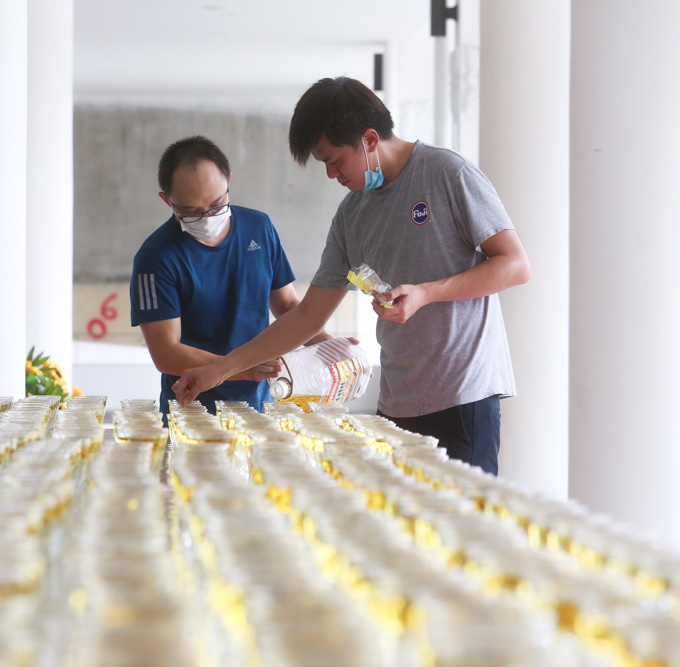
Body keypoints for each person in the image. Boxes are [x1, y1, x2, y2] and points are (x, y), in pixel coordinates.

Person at [174, 78, 530, 475]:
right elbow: (307, 317)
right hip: (397, 402)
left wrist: (427, 293)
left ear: (370, 139)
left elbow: (515, 265)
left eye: (335, 160)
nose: (331, 174)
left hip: (463, 398)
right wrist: (217, 370)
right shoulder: (351, 215)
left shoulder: (447, 173)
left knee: (461, 529)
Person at [131, 136, 330, 417]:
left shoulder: (258, 227)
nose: (208, 218)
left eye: (217, 204)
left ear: (228, 181)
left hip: (260, 405)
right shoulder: (156, 257)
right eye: (191, 212)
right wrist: (239, 368)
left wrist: (330, 348)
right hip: (192, 411)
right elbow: (165, 351)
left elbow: (287, 307)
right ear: (167, 200)